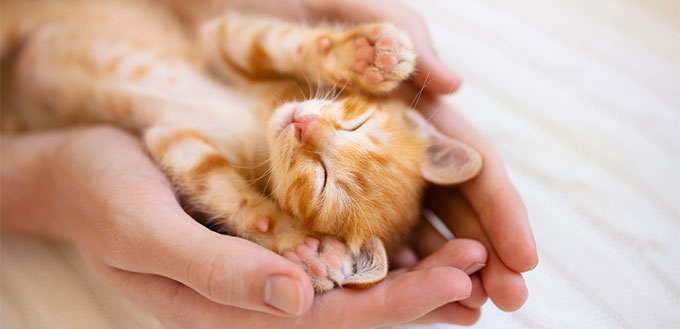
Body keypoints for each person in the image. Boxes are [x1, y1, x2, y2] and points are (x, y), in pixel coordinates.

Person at [0, 0, 538, 327]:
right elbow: (224, 36)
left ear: (320, 229)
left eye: (323, 179)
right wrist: (320, 51)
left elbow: (170, 139)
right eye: (352, 125)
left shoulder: (251, 168)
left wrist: (267, 226)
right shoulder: (282, 91)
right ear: (409, 125)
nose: (313, 130)